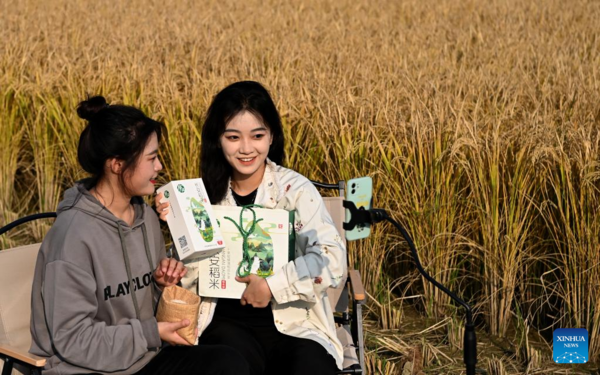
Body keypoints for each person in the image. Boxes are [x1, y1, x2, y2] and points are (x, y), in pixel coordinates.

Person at [29, 96, 250, 375]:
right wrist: (149, 333)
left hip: (146, 359)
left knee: (228, 362)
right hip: (86, 369)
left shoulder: (145, 216)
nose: (159, 166)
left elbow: (146, 303)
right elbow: (73, 340)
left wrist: (161, 283)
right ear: (117, 164)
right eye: (152, 157)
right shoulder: (73, 236)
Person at [156, 81, 347, 375]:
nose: (246, 149)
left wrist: (271, 286)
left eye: (257, 135)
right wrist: (173, 245)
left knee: (311, 366)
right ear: (217, 140)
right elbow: (192, 273)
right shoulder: (200, 196)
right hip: (224, 326)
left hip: (294, 324)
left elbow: (331, 258)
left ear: (271, 136)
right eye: (233, 137)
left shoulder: (295, 190)